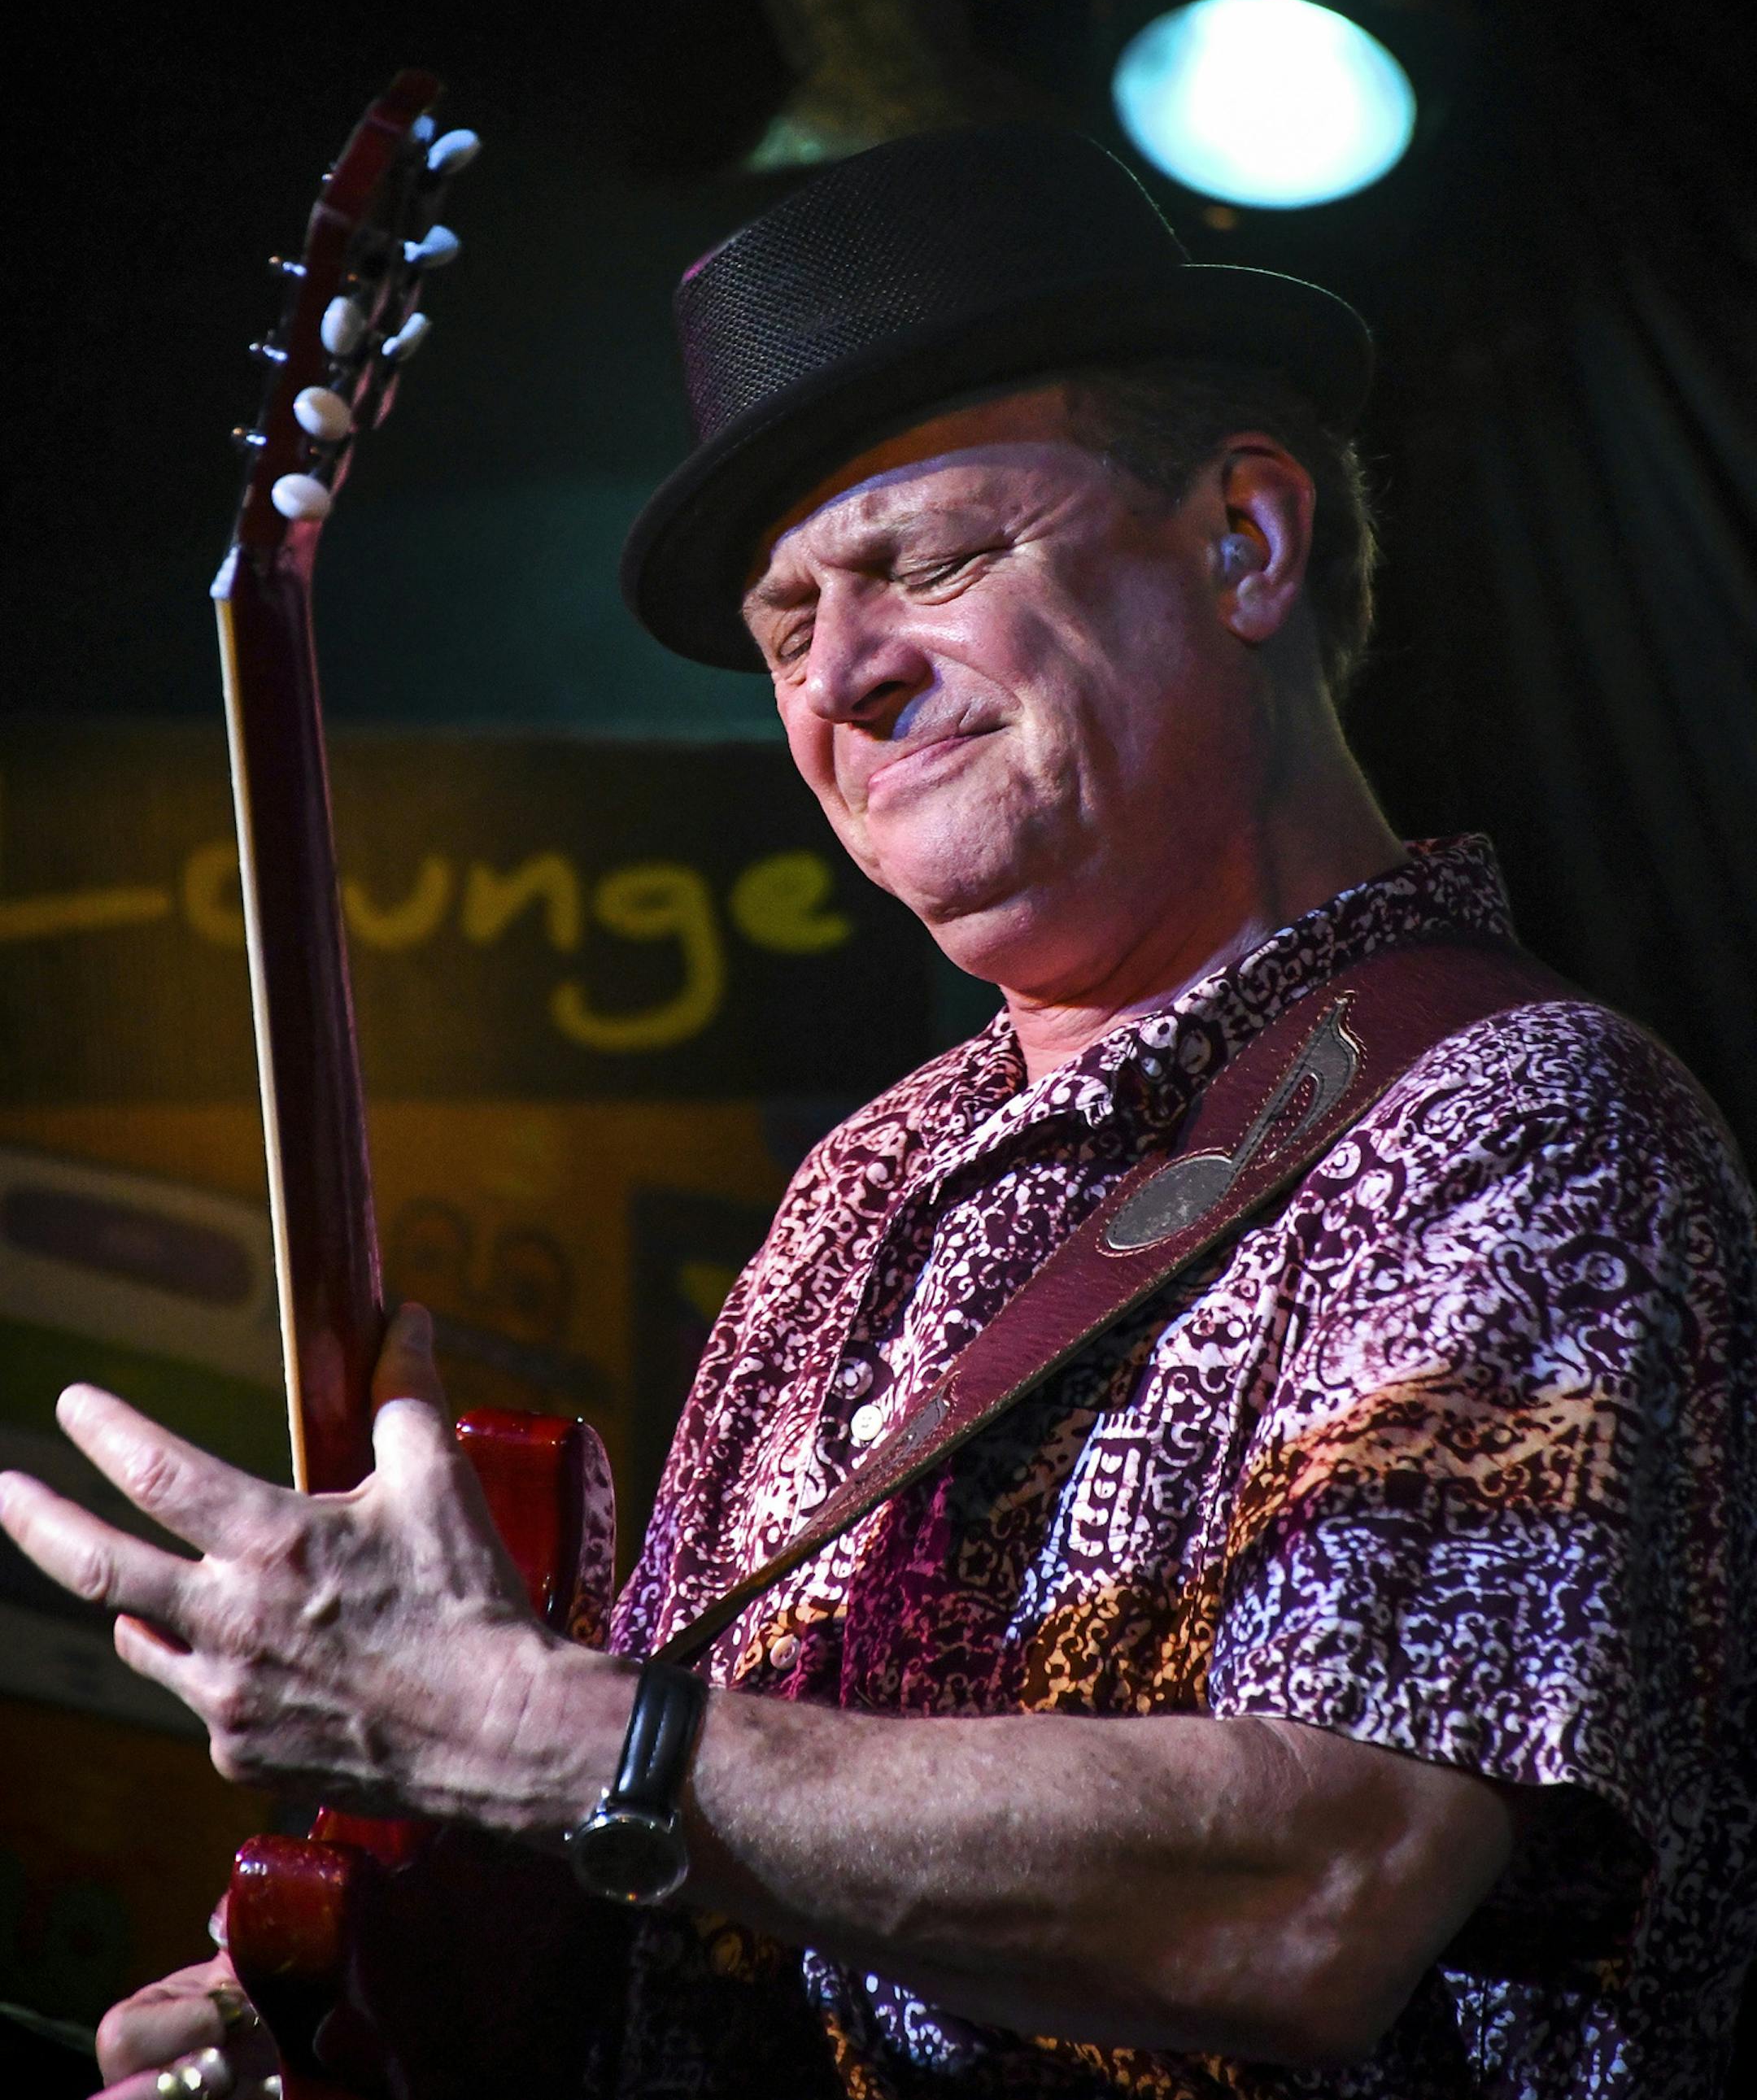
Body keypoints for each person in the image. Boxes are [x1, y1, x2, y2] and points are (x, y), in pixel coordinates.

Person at [2, 127, 1752, 2100]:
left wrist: (530, 1722)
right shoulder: (859, 1194)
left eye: (930, 559)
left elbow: (1334, 1876)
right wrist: (367, 2011)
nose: (840, 671)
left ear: (1248, 543)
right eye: (782, 623)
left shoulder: (1514, 1122)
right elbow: (699, 1882)